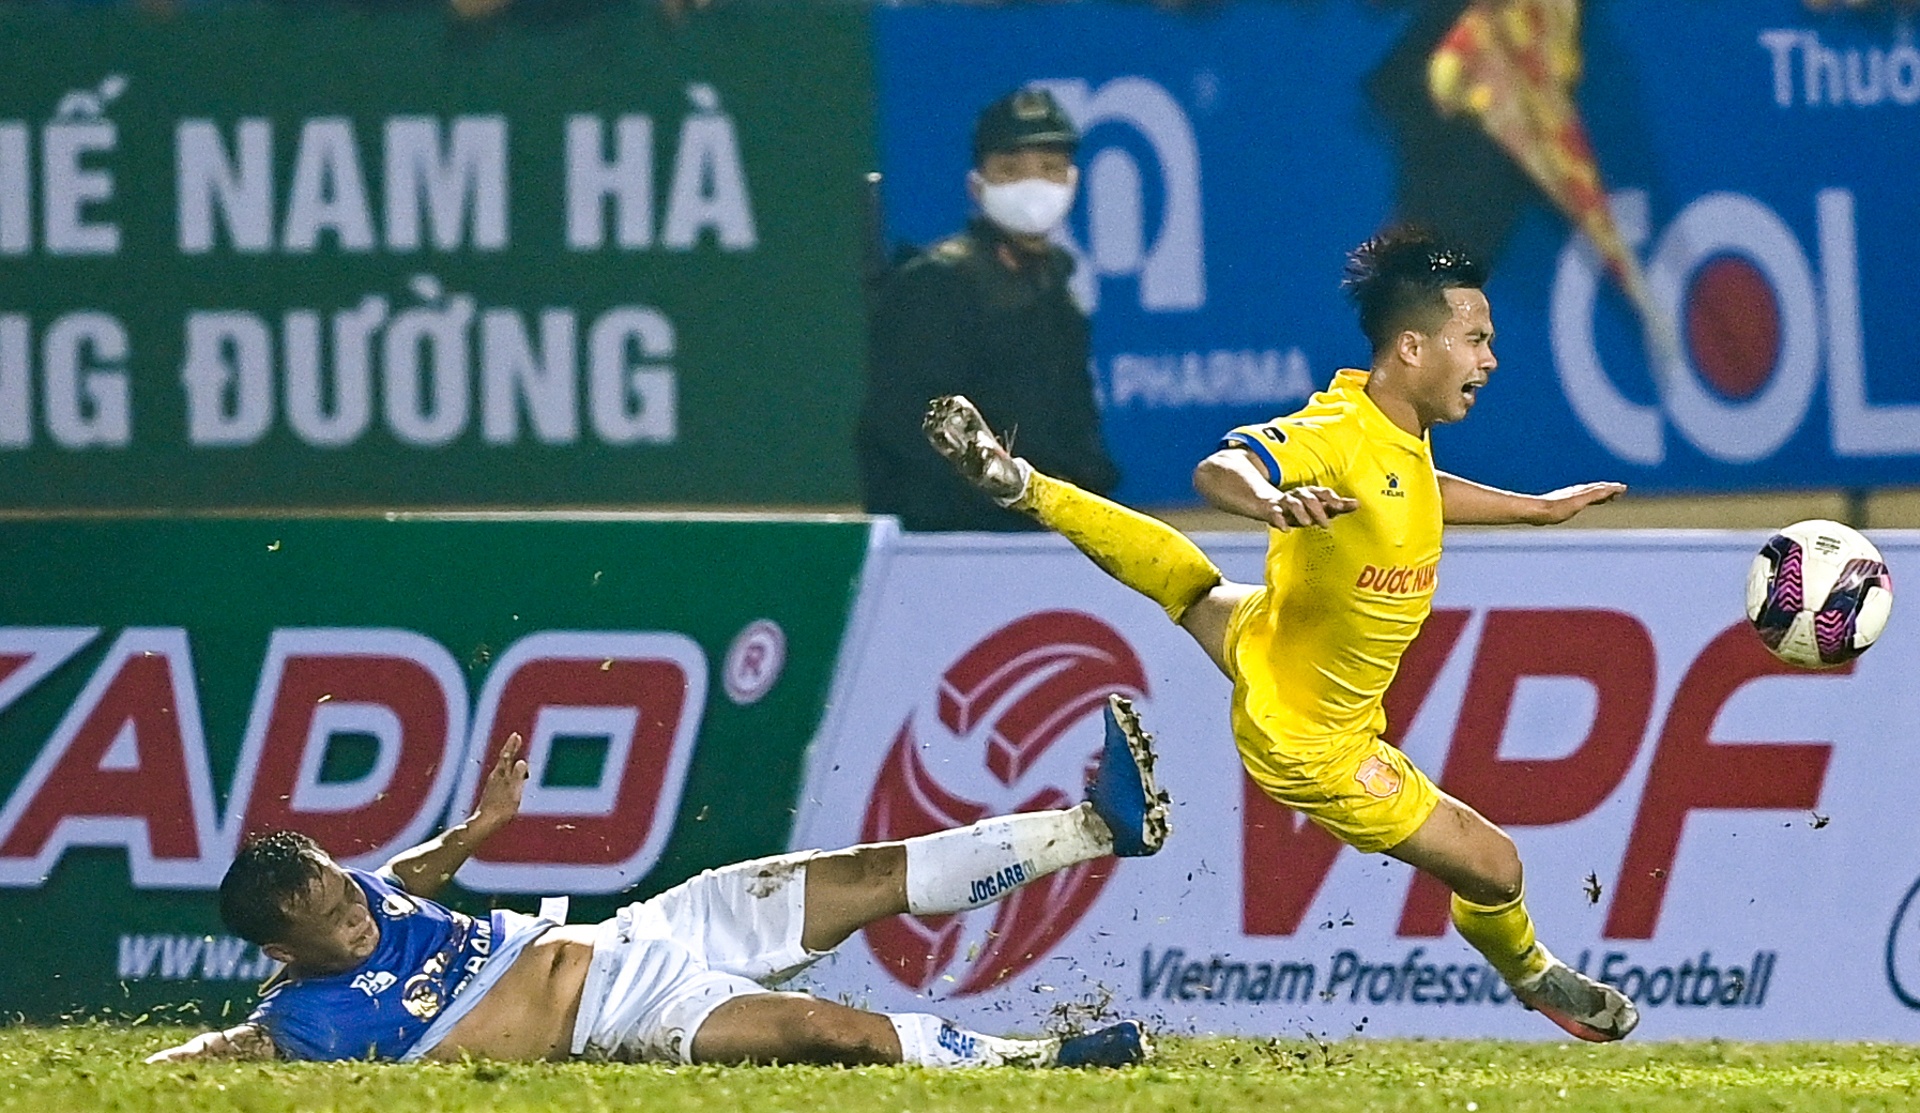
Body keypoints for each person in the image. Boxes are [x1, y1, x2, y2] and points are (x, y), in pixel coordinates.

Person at [923, 226, 1640, 1042]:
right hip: (1316, 743)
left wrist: (1535, 508)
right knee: (1497, 866)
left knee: (1186, 582)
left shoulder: (1392, 434)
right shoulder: (1335, 432)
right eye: (1475, 339)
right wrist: (1265, 498)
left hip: (1270, 636)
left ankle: (1024, 486)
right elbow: (1220, 468)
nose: (1490, 359)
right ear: (1412, 347)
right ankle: (1533, 973)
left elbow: (1415, 486)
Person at [145, 698, 1171, 1067]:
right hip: (627, 1011)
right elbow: (216, 1054)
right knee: (825, 1036)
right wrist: (162, 1069)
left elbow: (408, 875)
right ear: (281, 950)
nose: (355, 916)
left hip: (645, 928)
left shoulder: (357, 890)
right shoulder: (304, 1026)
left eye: (341, 890)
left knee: (863, 874)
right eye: (329, 918)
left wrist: (479, 828)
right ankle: (1039, 1065)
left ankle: (1093, 826)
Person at [856, 87, 1119, 531]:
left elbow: (1077, 432)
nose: (1033, 184)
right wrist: (1005, 494)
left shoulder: (1057, 287)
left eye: (1051, 168)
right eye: (1011, 169)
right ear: (977, 185)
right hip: (953, 536)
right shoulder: (938, 283)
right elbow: (908, 430)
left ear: (1072, 181)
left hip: (1040, 528)